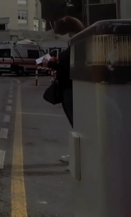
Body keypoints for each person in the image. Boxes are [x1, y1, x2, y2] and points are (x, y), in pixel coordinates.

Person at [41, 16, 84, 163]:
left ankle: (79, 156)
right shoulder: (78, 43)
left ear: (69, 31)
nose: (61, 36)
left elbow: (67, 67)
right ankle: (78, 155)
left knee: (77, 123)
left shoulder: (77, 43)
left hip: (70, 88)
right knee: (77, 123)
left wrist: (50, 65)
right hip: (70, 87)